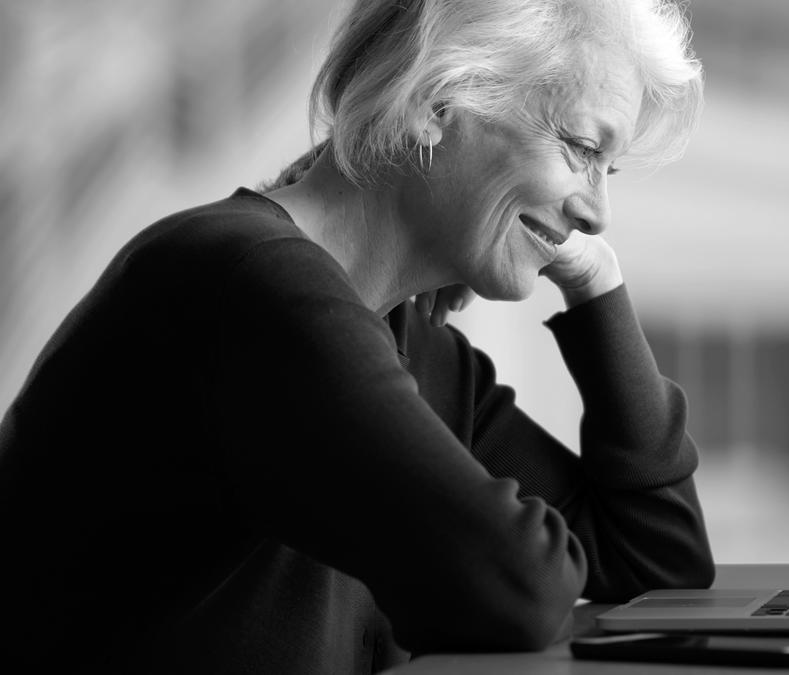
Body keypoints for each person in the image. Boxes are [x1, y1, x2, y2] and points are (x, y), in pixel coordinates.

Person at [0, 0, 714, 672]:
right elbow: (515, 590)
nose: (597, 212)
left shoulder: (404, 337)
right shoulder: (244, 287)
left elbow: (656, 563)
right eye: (583, 148)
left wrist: (598, 289)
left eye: (609, 169)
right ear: (438, 103)